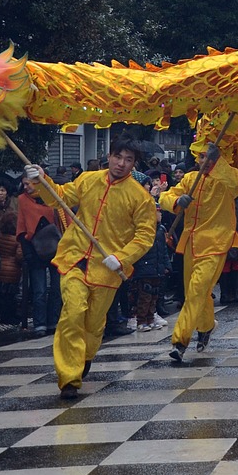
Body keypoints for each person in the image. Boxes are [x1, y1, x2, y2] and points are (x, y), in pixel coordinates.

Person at [24, 135, 155, 399]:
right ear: (109, 156)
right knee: (73, 312)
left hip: (107, 268)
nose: (121, 163)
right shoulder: (88, 180)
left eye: (128, 160)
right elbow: (59, 198)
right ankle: (69, 376)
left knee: (94, 324)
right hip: (74, 257)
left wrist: (122, 257)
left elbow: (145, 236)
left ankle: (84, 356)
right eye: (118, 157)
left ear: (134, 165)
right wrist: (41, 180)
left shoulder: (140, 198)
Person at [158, 142, 238, 362]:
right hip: (190, 244)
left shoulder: (228, 178)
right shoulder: (190, 179)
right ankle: (206, 327)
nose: (203, 161)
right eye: (201, 156)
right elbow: (165, 197)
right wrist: (177, 201)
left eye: (208, 156)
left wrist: (219, 163)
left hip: (216, 243)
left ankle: (180, 341)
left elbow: (237, 185)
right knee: (196, 292)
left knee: (197, 289)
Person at [16, 175, 62, 337]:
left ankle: (53, 321)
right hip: (34, 249)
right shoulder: (22, 199)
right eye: (24, 184)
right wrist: (27, 252)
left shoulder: (50, 196)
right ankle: (40, 323)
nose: (26, 187)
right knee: (40, 289)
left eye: (29, 184)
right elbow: (21, 226)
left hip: (56, 247)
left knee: (57, 288)